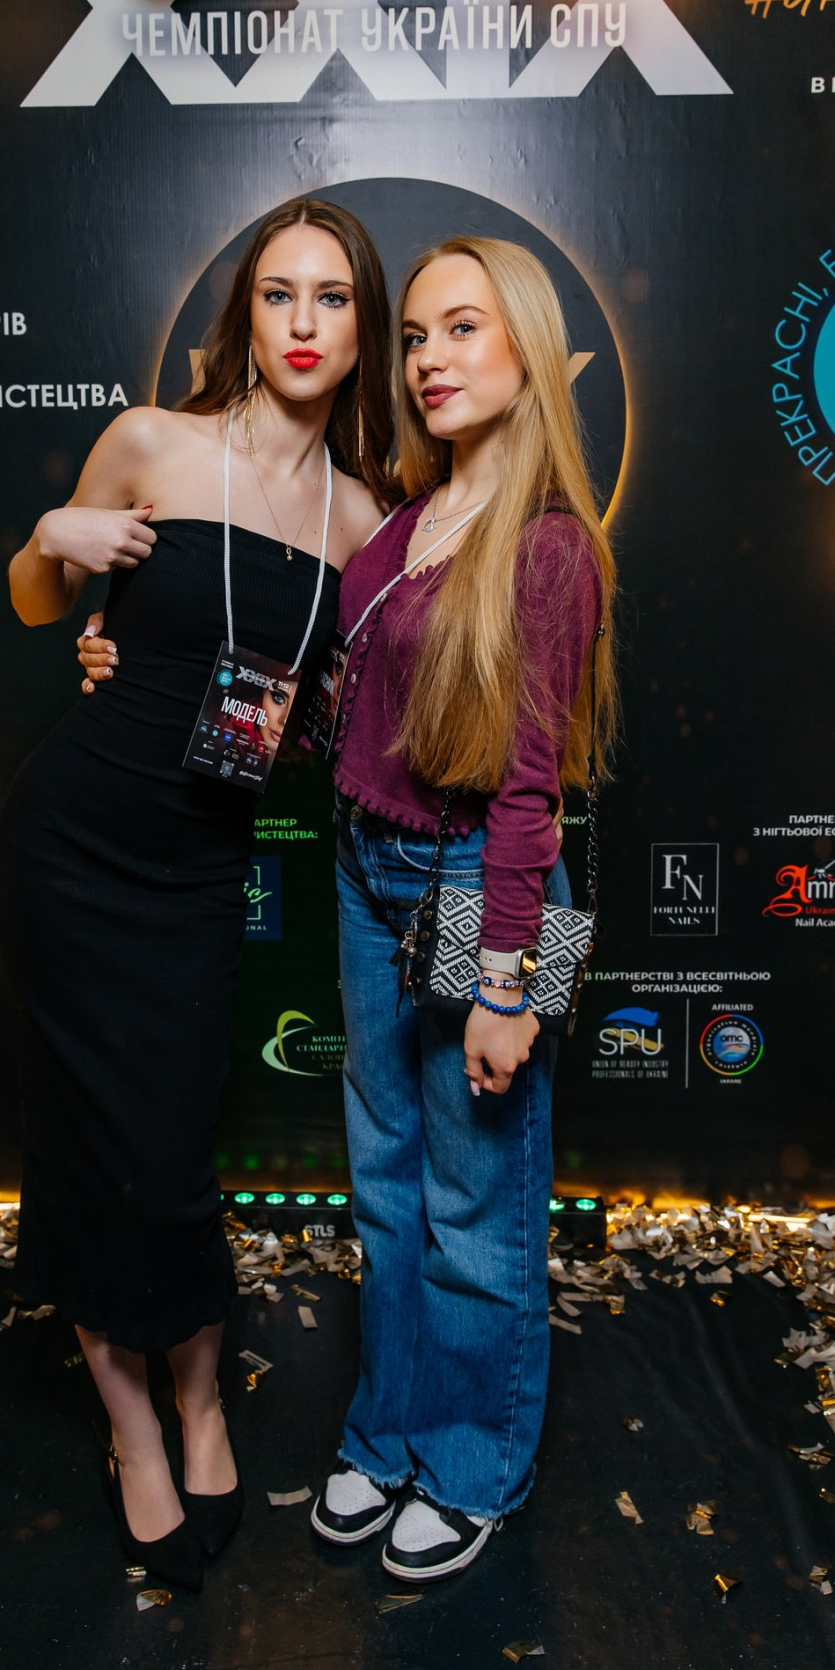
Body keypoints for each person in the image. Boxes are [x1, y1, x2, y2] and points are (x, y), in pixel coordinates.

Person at [0, 198, 391, 1592]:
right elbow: (36, 604)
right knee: (85, 1145)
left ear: (362, 329)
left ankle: (201, 1399)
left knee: (168, 1151)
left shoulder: (364, 520)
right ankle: (133, 1431)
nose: (302, 322)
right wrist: (53, 533)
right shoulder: (153, 442)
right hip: (72, 841)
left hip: (201, 862)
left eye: (331, 297)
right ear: (245, 314)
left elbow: (342, 717)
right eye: (279, 293)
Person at [308, 236, 618, 1582]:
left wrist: (506, 984)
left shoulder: (547, 547)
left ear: (527, 352)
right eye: (418, 335)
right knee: (384, 1187)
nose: (429, 358)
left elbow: (530, 797)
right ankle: (387, 1432)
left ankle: (474, 1464)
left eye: (463, 329)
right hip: (365, 869)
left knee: (477, 1207)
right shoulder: (406, 517)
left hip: (481, 889)